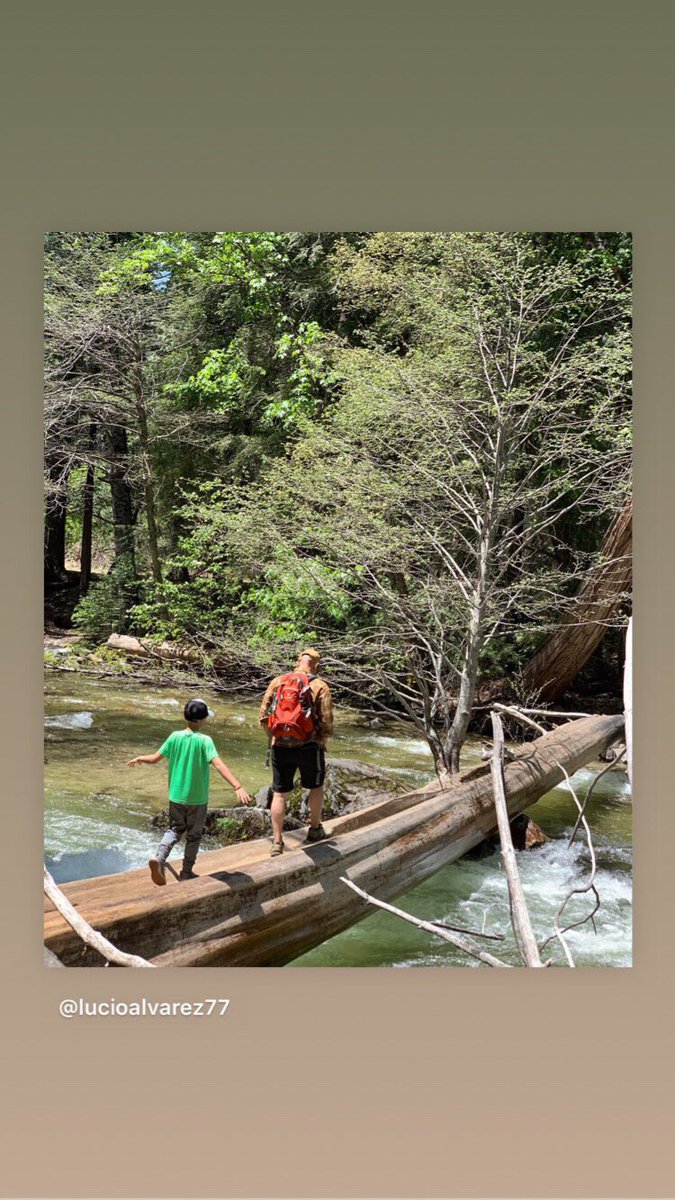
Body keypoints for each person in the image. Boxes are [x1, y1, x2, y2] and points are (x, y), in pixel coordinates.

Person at [127, 698, 252, 885]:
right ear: (202, 720)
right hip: (197, 800)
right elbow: (218, 764)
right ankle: (186, 871)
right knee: (194, 836)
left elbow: (154, 759)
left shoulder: (174, 736)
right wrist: (237, 786)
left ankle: (160, 858)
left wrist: (140, 758)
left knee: (175, 829)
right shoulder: (205, 740)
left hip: (176, 797)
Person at [259, 648, 334, 857]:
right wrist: (321, 741)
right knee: (315, 787)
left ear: (297, 661)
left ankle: (277, 841)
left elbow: (263, 716)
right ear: (317, 666)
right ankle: (315, 829)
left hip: (280, 746)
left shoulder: (278, 682)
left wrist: (274, 737)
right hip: (310, 746)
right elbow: (327, 722)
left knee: (280, 793)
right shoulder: (320, 686)